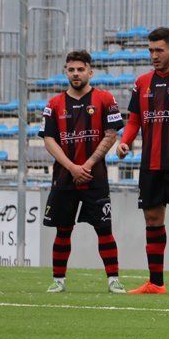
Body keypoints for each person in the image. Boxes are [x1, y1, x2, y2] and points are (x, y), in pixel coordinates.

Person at [117, 27, 169, 295]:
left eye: (159, 50)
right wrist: (125, 142)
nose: (154, 55)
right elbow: (134, 121)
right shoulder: (142, 83)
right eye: (151, 50)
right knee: (153, 219)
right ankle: (156, 282)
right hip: (149, 165)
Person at [40, 50, 124, 293]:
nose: (75, 74)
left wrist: (86, 165)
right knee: (63, 230)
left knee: (104, 229)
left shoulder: (106, 99)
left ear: (90, 72)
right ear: (65, 72)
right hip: (65, 178)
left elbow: (111, 134)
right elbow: (48, 140)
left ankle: (113, 280)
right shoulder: (54, 104)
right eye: (71, 69)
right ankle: (58, 281)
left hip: (94, 178)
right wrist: (72, 167)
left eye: (80, 69)